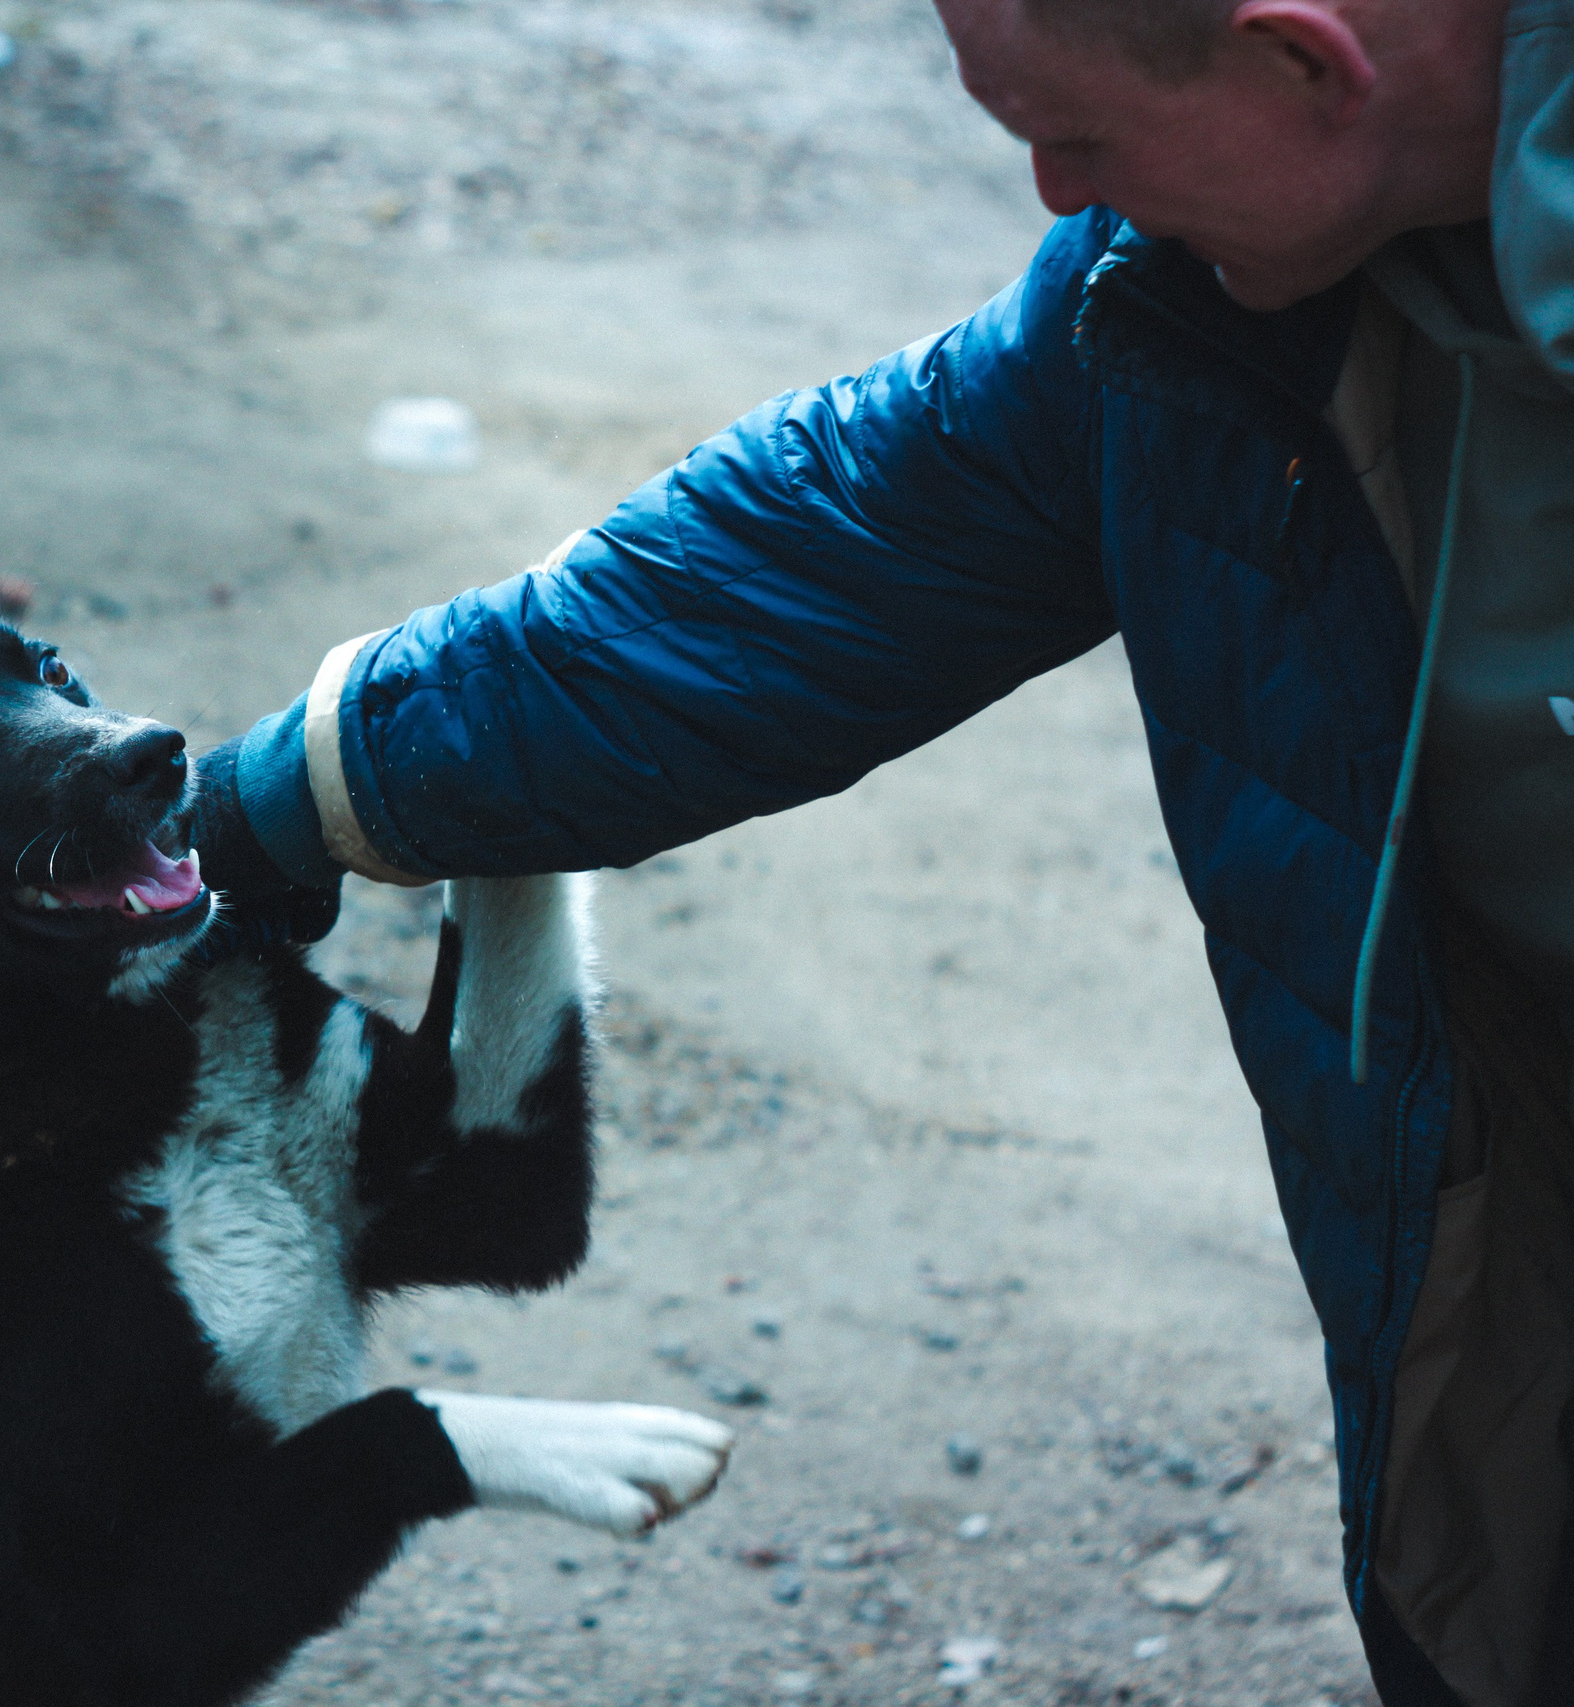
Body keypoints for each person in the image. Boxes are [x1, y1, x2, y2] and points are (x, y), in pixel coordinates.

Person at [187, 1, 1574, 1700]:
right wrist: (289, 789)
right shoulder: (1164, 303)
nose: (1063, 199)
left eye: (1083, 141)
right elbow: (817, 559)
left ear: (1306, 64)